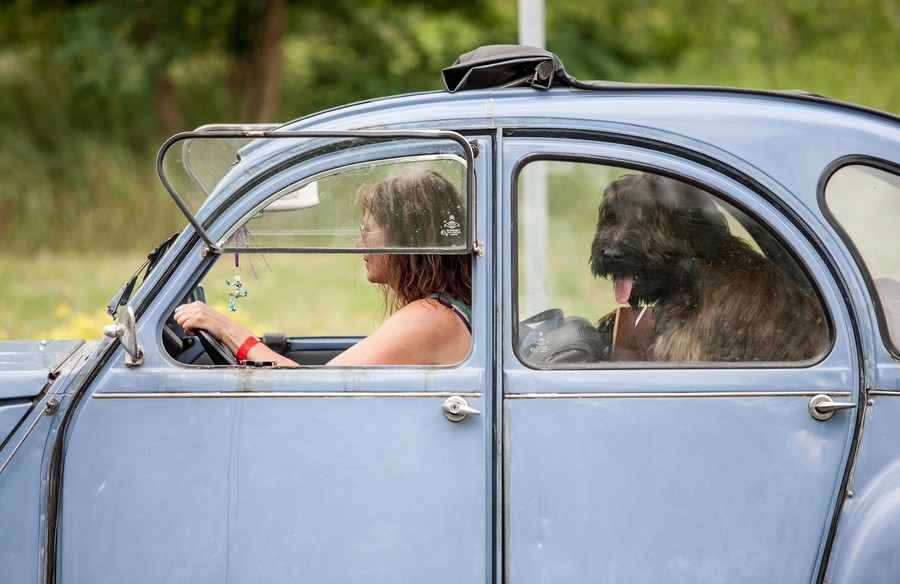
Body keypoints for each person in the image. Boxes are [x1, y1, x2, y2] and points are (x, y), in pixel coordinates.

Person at [174, 168, 472, 366]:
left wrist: (228, 329)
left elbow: (315, 390)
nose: (359, 243)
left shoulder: (430, 317)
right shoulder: (441, 311)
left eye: (367, 231)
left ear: (405, 242)